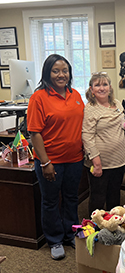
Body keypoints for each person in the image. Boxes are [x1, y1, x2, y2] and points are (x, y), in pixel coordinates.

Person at [27, 54, 84, 260]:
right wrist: (46, 162)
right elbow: (35, 133)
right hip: (51, 161)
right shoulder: (39, 98)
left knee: (71, 198)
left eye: (65, 70)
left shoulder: (76, 95)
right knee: (51, 201)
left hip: (75, 159)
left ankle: (71, 235)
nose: (61, 75)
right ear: (47, 73)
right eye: (56, 71)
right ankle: (55, 240)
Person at [82, 72, 125, 216]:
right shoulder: (90, 108)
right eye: (97, 85)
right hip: (101, 163)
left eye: (104, 84)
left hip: (119, 161)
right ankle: (95, 230)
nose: (101, 88)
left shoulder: (117, 104)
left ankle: (113, 227)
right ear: (91, 89)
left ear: (110, 87)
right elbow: (87, 136)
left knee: (114, 196)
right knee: (98, 199)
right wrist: (96, 163)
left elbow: (124, 125)